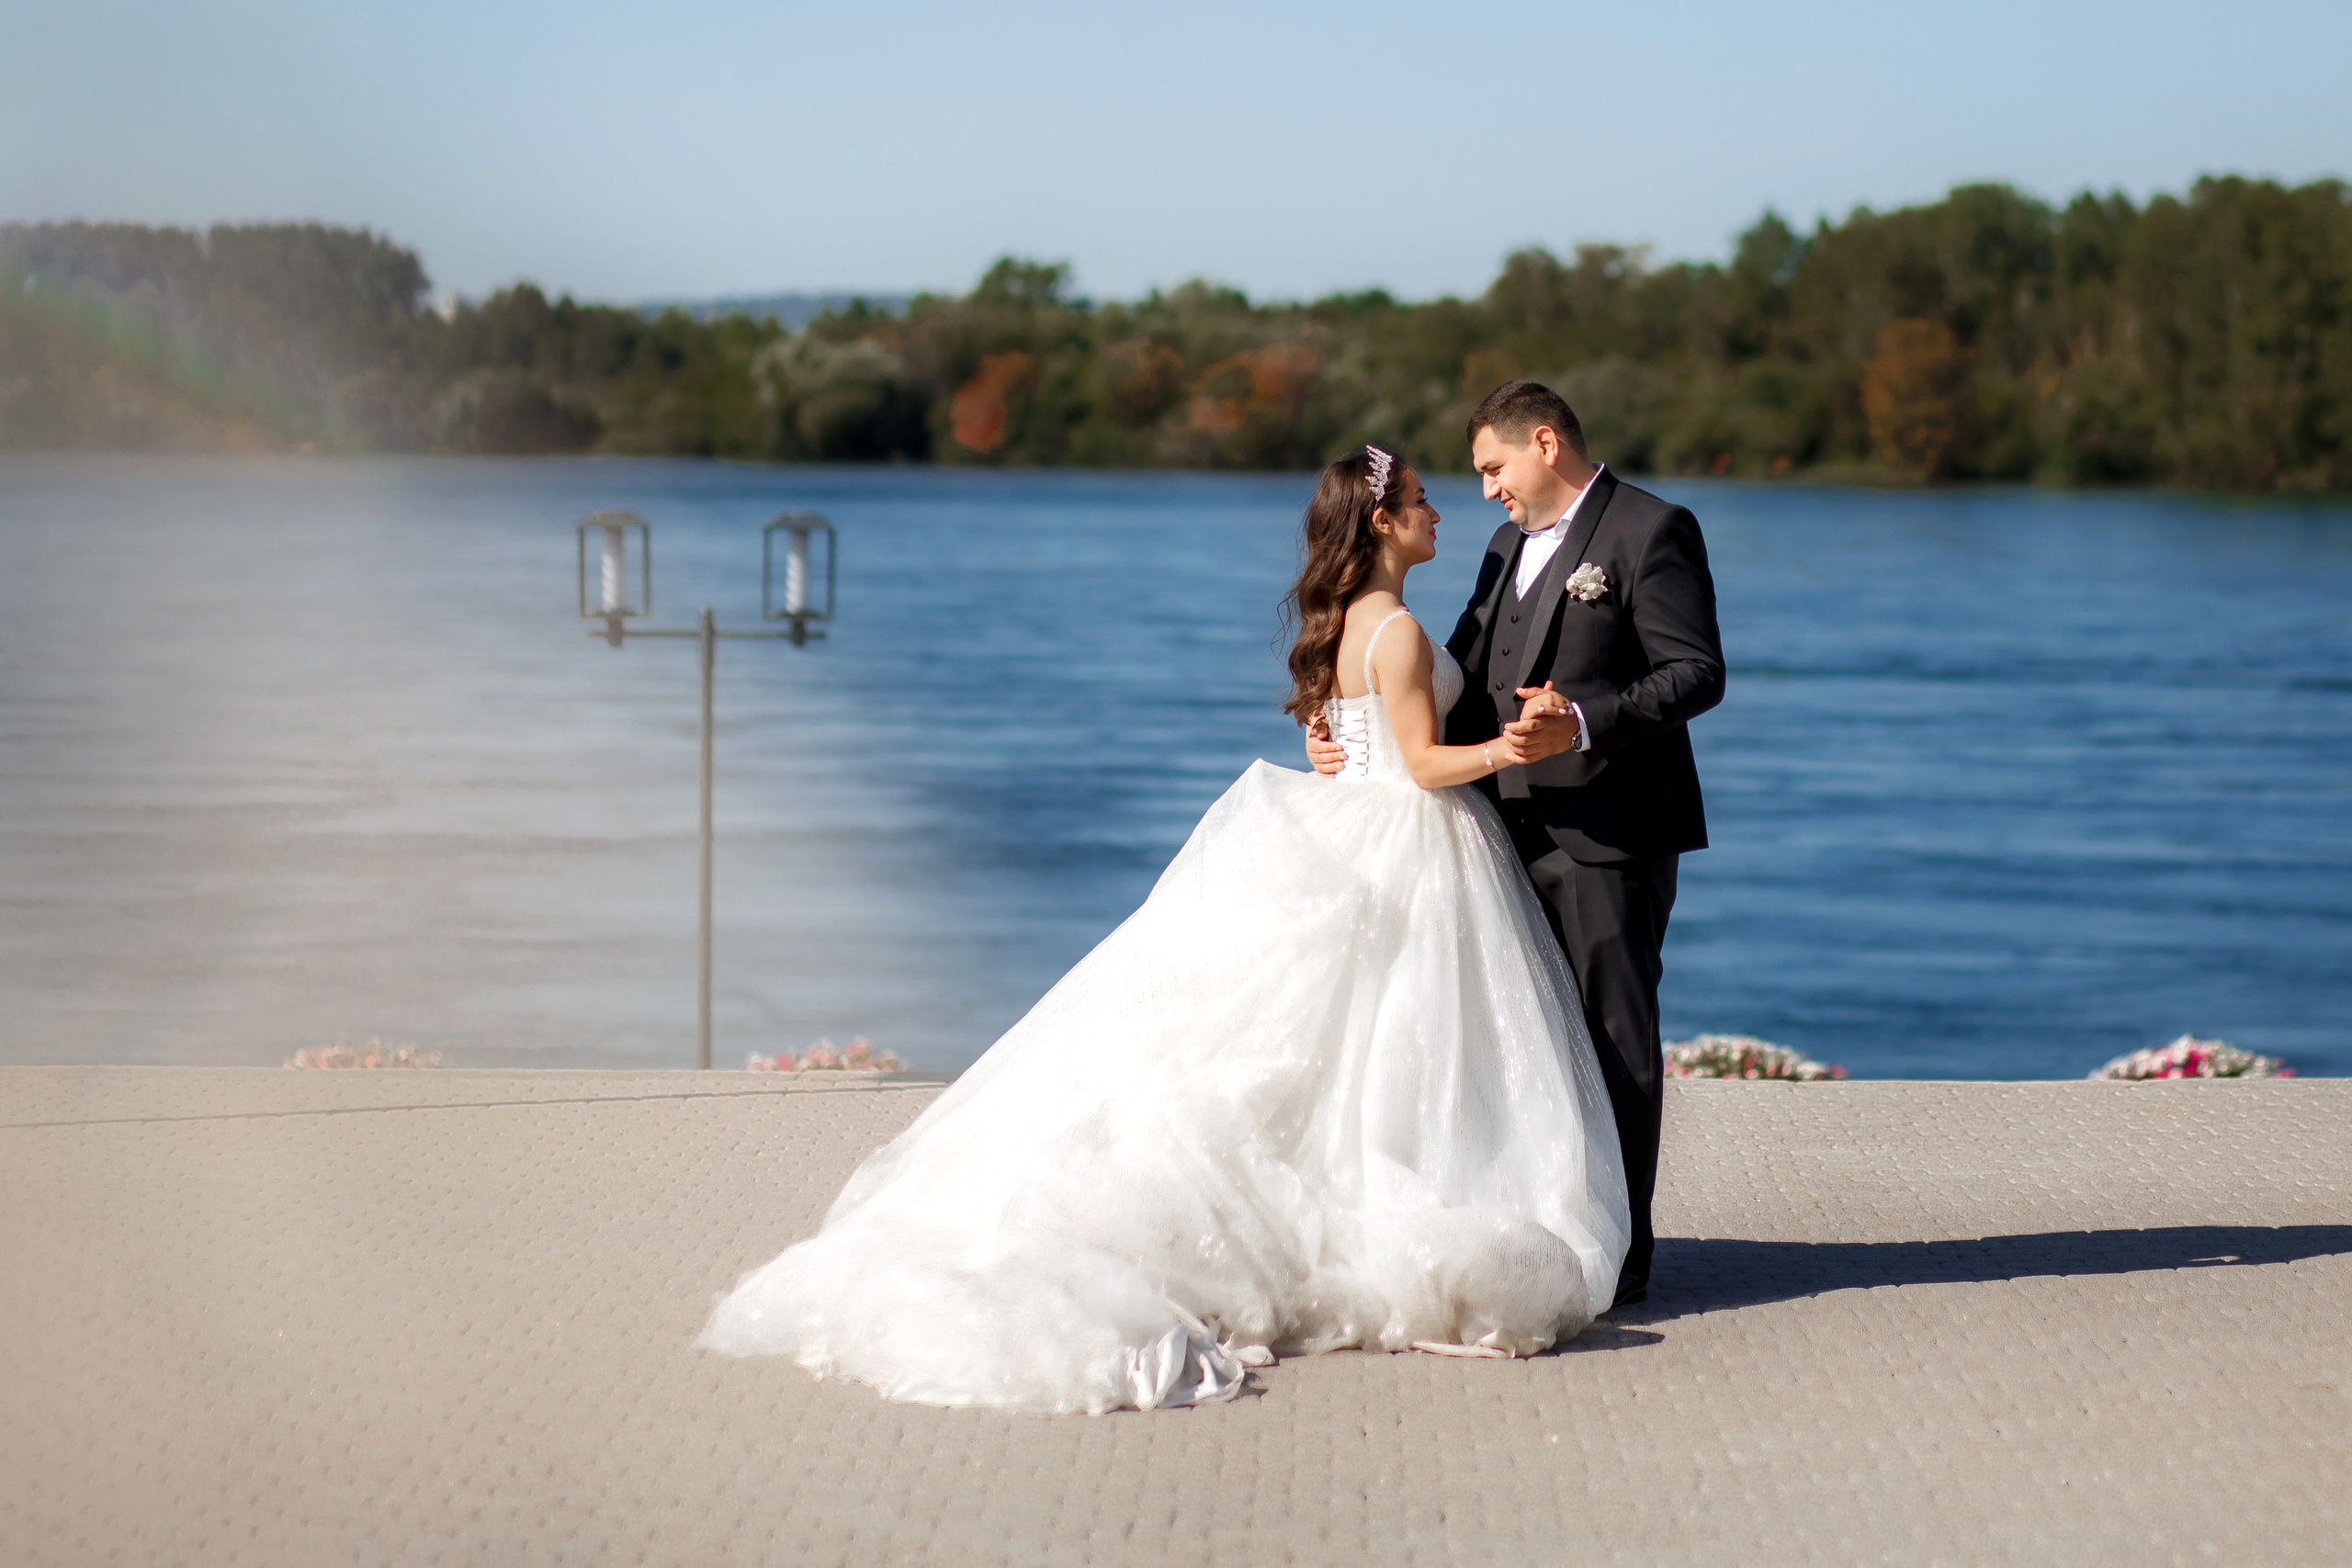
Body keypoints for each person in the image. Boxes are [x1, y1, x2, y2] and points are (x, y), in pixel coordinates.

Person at [699, 447, 1629, 1413]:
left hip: (1353, 826)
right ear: (1383, 521)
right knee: (1393, 1036)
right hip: (1406, 835)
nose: (1441, 511)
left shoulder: (1347, 622)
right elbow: (1423, 765)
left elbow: (1342, 749)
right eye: (1425, 500)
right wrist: (1514, 745)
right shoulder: (1392, 630)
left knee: (1344, 1038)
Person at [1308, 381, 1724, 1305]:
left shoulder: (1651, 531)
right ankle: (1545, 1222)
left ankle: (1622, 1252)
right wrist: (1345, 727)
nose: (1488, 490)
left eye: (1493, 468)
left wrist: (1581, 720)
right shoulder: (1503, 549)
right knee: (1520, 1041)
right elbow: (1444, 674)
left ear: (1544, 443)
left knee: (1613, 1038)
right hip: (1492, 832)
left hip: (1608, 832)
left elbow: (1695, 673)